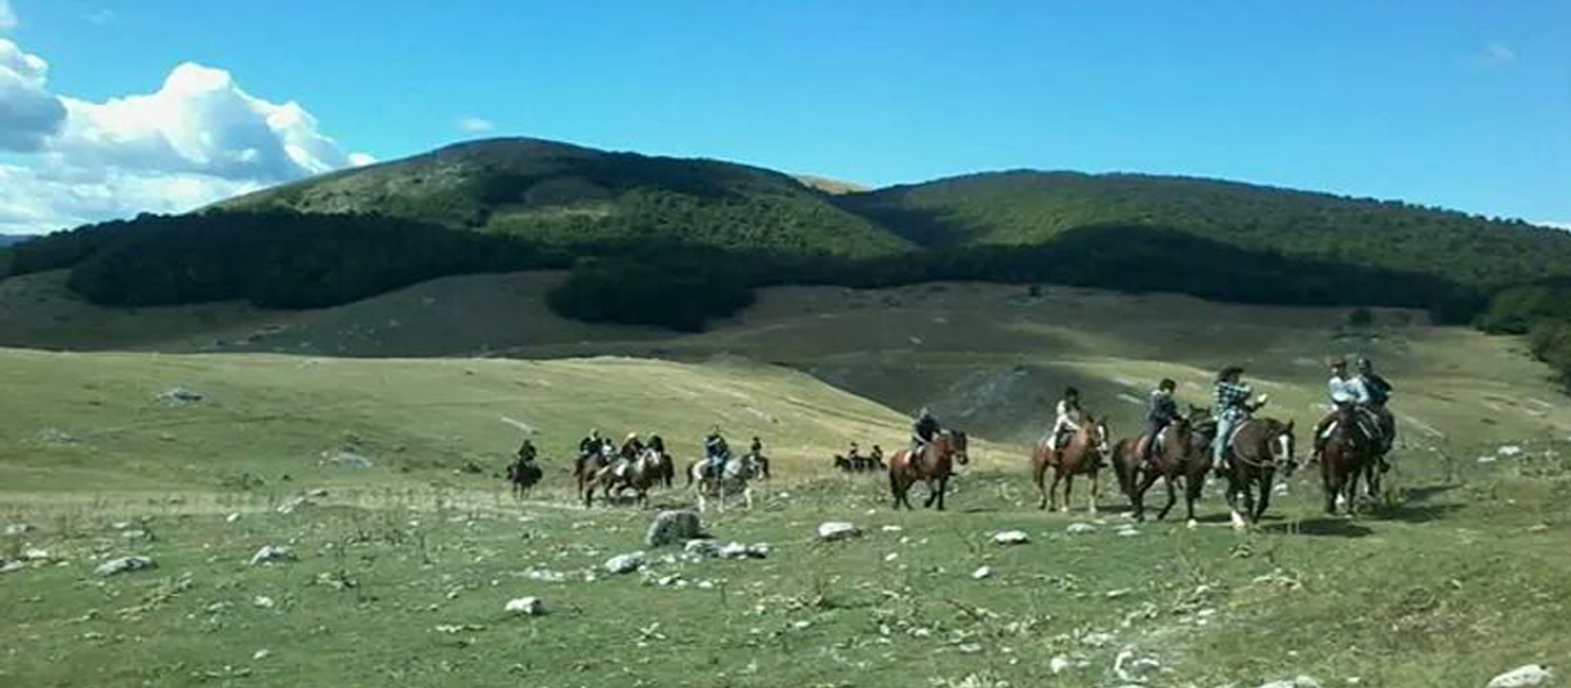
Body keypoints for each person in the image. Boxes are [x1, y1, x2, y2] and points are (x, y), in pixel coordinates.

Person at [1314, 358, 1382, 464]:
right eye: (1333, 368)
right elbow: (1335, 395)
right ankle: (1316, 452)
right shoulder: (1333, 382)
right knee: (1320, 427)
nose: (1334, 371)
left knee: (1371, 430)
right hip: (1338, 410)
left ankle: (1376, 456)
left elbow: (1365, 397)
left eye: (1337, 368)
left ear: (1343, 368)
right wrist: (1342, 401)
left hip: (1355, 409)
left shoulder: (1355, 382)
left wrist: (1355, 401)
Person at [1212, 366, 1268, 476]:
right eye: (1235, 376)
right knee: (1223, 435)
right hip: (1228, 416)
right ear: (1228, 377)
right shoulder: (1222, 387)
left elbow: (1248, 407)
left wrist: (1258, 403)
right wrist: (1247, 389)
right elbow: (1243, 393)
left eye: (1238, 376)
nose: (1237, 378)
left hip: (1244, 416)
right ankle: (1218, 461)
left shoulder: (1237, 388)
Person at [1357, 357, 1396, 467]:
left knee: (1388, 417)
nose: (1363, 370)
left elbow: (1388, 388)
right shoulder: (1356, 381)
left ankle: (1386, 442)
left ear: (1369, 368)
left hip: (1376, 406)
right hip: (1360, 406)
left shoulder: (1376, 379)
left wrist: (1386, 394)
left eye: (1364, 368)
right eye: (1360, 368)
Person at [1142, 379, 1180, 465]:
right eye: (1170, 390)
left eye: (1172, 390)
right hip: (1156, 422)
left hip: (1167, 423)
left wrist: (1180, 418)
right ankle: (1145, 457)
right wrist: (1169, 420)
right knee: (1152, 436)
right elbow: (1156, 412)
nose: (1172, 392)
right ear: (1164, 389)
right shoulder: (1155, 398)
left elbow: (1173, 413)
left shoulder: (1171, 401)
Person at [1047, 387, 1084, 452]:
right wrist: (1076, 427)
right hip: (1064, 428)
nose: (1074, 398)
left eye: (1075, 396)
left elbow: (1080, 418)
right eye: (1072, 396)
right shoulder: (1062, 404)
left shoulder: (1077, 408)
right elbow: (1064, 419)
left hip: (1077, 429)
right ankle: (1055, 454)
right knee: (1059, 438)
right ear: (1068, 396)